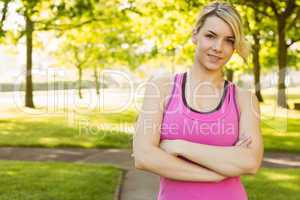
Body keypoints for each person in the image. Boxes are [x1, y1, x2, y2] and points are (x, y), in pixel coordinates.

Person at [133, 1, 264, 200]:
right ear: (195, 35)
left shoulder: (245, 99)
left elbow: (250, 162)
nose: (218, 47)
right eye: (210, 36)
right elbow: (144, 157)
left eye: (229, 40)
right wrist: (216, 173)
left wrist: (178, 146)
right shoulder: (161, 88)